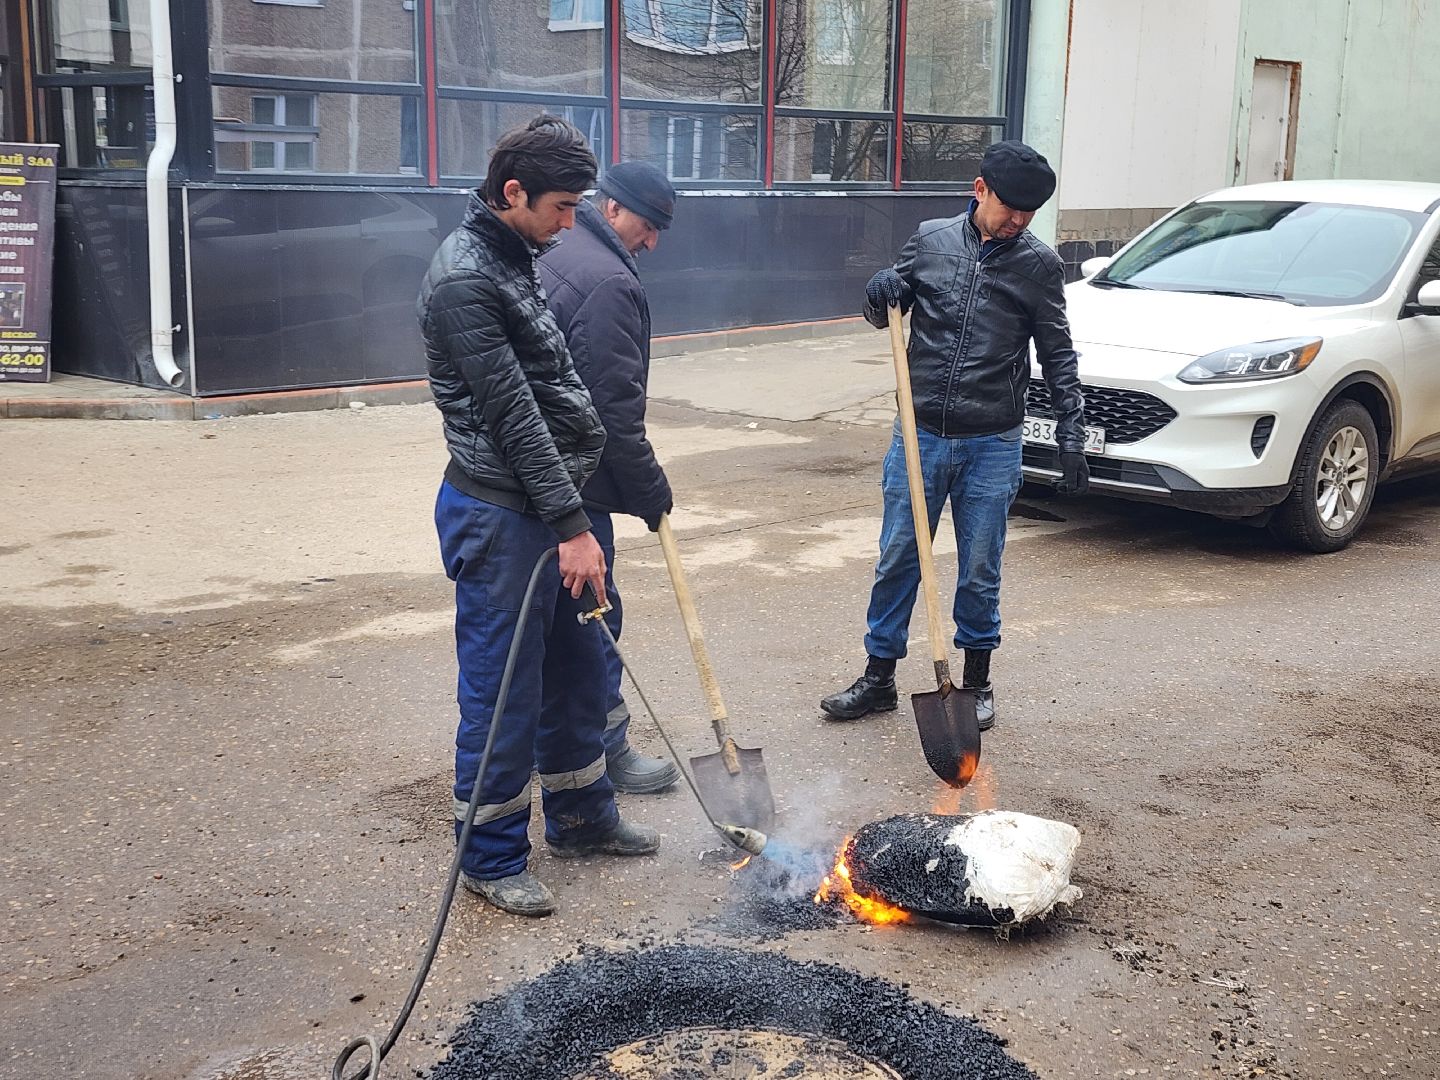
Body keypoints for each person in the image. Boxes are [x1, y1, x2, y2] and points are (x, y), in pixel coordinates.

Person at [417, 116, 659, 918]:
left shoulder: (516, 253)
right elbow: (514, 418)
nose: (570, 222)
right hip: (502, 516)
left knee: (579, 669)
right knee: (505, 693)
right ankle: (489, 856)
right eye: (561, 207)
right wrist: (573, 526)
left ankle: (583, 817)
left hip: (550, 503)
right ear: (513, 192)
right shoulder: (465, 280)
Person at [820, 140, 1089, 731]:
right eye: (1010, 208)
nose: (1018, 221)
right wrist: (879, 291)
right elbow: (883, 313)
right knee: (899, 556)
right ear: (980, 189)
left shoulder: (1039, 265)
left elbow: (1058, 354)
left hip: (992, 441)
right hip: (920, 435)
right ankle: (878, 677)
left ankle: (976, 683)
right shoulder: (930, 240)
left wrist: (1072, 432)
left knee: (980, 566)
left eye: (1030, 213)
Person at [537, 161, 680, 796]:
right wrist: (650, 490)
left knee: (562, 626)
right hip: (575, 485)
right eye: (647, 227)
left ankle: (567, 746)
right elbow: (613, 410)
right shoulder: (608, 283)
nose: (652, 242)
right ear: (613, 208)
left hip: (536, 477)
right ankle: (602, 754)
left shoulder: (557, 246)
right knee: (594, 619)